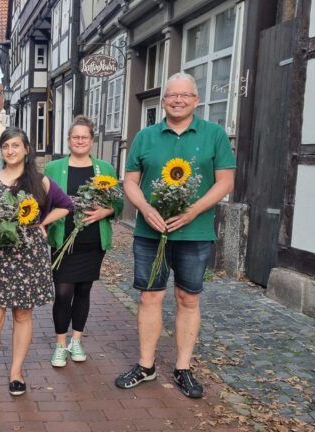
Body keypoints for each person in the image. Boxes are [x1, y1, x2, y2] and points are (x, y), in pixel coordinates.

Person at [115, 72, 236, 398]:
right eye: (172, 95)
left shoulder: (213, 135)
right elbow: (130, 181)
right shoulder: (145, 137)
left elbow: (225, 181)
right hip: (150, 233)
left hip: (194, 233)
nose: (178, 100)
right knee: (149, 297)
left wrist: (193, 211)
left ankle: (183, 368)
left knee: (188, 298)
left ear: (196, 100)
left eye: (185, 95)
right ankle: (146, 366)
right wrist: (145, 209)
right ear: (164, 100)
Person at [0, 127, 71, 396]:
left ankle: (16, 373)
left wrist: (41, 222)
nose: (10, 150)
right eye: (6, 146)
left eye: (15, 145)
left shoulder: (40, 181)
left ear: (26, 149)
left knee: (22, 315)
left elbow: (65, 205)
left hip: (28, 258)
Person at [44, 115, 123, 368]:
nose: (80, 141)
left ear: (91, 141)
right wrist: (42, 223)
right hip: (62, 239)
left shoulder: (105, 169)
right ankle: (60, 345)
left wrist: (106, 211)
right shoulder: (53, 168)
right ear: (69, 140)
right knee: (62, 292)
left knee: (83, 291)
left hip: (92, 240)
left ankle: (76, 341)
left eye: (84, 137)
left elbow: (118, 202)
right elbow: (42, 202)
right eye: (75, 137)